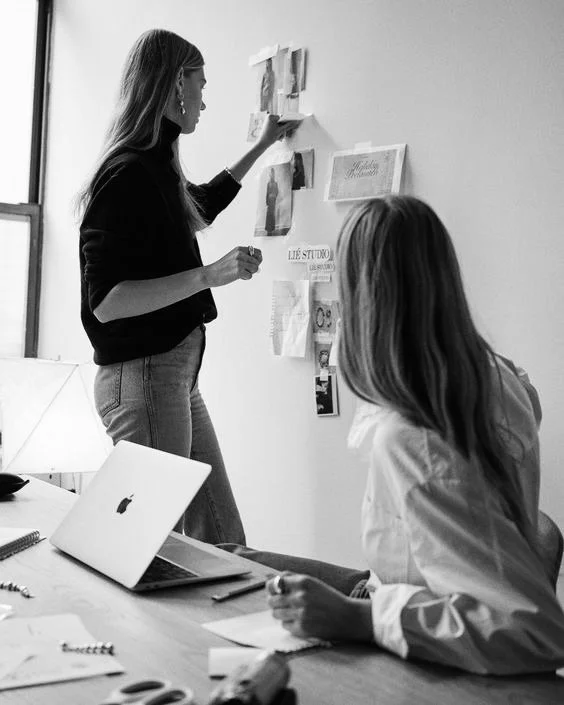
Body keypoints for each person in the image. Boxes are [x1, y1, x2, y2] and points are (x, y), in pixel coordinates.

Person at [221, 196, 564, 675]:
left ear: (363, 300)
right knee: (228, 558)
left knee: (227, 592)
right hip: (394, 593)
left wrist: (357, 618)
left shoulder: (415, 441)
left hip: (403, 616)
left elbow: (534, 633)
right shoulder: (495, 375)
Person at [77, 29, 298, 545]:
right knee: (145, 548)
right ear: (176, 84)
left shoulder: (154, 169)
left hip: (171, 378)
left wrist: (261, 145)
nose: (204, 97)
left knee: (221, 544)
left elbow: (198, 207)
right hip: (146, 380)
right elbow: (106, 303)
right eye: (200, 82)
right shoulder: (127, 174)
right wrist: (208, 275)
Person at [265, 168, 279, 234]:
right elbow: (267, 193)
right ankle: (268, 228)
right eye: (270, 174)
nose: (271, 175)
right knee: (268, 214)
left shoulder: (275, 183)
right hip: (269, 201)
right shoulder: (268, 183)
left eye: (272, 173)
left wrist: (274, 196)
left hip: (273, 201)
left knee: (272, 214)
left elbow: (277, 192)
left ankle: (272, 228)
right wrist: (267, 201)